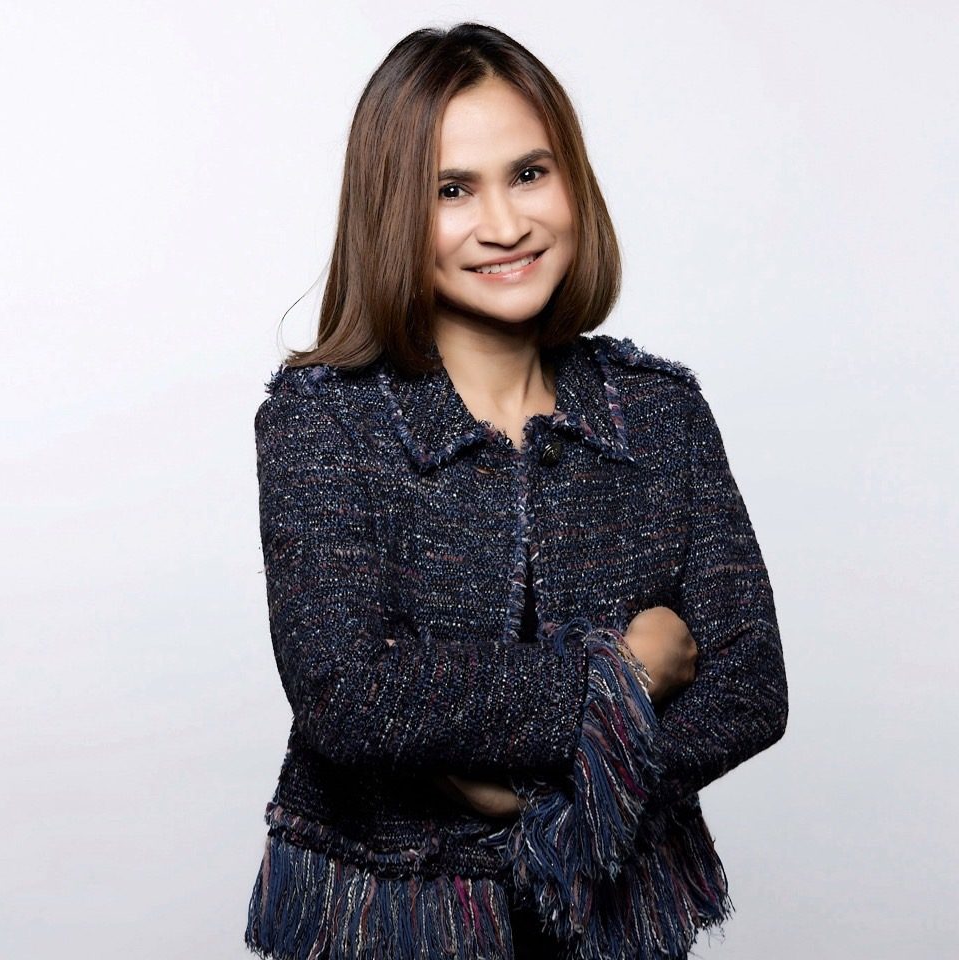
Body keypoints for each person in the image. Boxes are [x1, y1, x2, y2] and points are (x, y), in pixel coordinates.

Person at [244, 21, 788, 960]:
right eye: (452, 190)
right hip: (391, 920)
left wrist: (576, 786)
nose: (504, 224)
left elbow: (751, 685)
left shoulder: (658, 410)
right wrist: (628, 674)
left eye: (529, 174)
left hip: (617, 921)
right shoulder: (322, 420)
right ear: (391, 210)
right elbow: (350, 694)